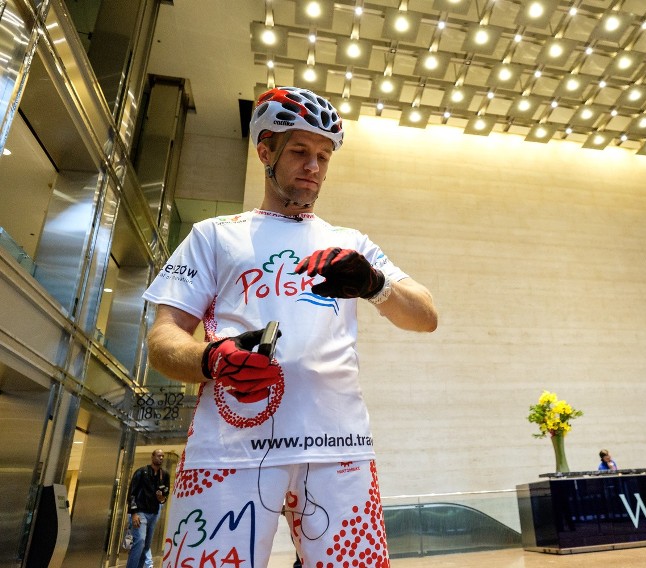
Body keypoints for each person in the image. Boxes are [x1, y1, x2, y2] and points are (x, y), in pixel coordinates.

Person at [143, 86, 438, 568]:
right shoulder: (215, 235)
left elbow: (425, 315)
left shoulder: (349, 242)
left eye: (323, 156)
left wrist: (374, 283)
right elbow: (162, 338)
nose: (314, 167)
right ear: (265, 151)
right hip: (230, 445)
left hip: (338, 445)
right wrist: (210, 358)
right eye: (300, 151)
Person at [126, 449, 170, 568]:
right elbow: (132, 493)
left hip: (154, 513)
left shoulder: (164, 475)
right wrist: (133, 513)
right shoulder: (141, 472)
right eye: (159, 456)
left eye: (162, 456)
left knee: (146, 545)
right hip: (140, 512)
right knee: (139, 541)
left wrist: (161, 498)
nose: (161, 458)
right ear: (152, 457)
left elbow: (165, 497)